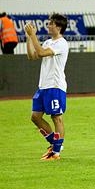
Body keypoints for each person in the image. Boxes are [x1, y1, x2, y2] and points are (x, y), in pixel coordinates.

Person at [24, 14, 69, 161]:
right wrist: (29, 38)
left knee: (57, 118)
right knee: (35, 117)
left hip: (55, 86)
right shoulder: (49, 41)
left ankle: (56, 153)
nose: (48, 25)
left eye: (51, 23)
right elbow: (32, 56)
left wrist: (33, 35)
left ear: (59, 27)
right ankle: (54, 144)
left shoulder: (62, 43)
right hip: (43, 85)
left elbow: (42, 53)